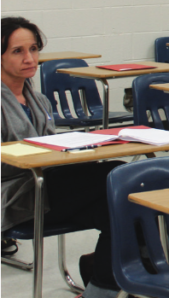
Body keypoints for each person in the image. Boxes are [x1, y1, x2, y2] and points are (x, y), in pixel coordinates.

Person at [1, 17, 123, 298]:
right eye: (18, 51)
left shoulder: (39, 100)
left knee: (123, 208)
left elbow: (53, 149)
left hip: (47, 183)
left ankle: (98, 287)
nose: (29, 58)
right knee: (116, 173)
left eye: (33, 49)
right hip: (18, 195)